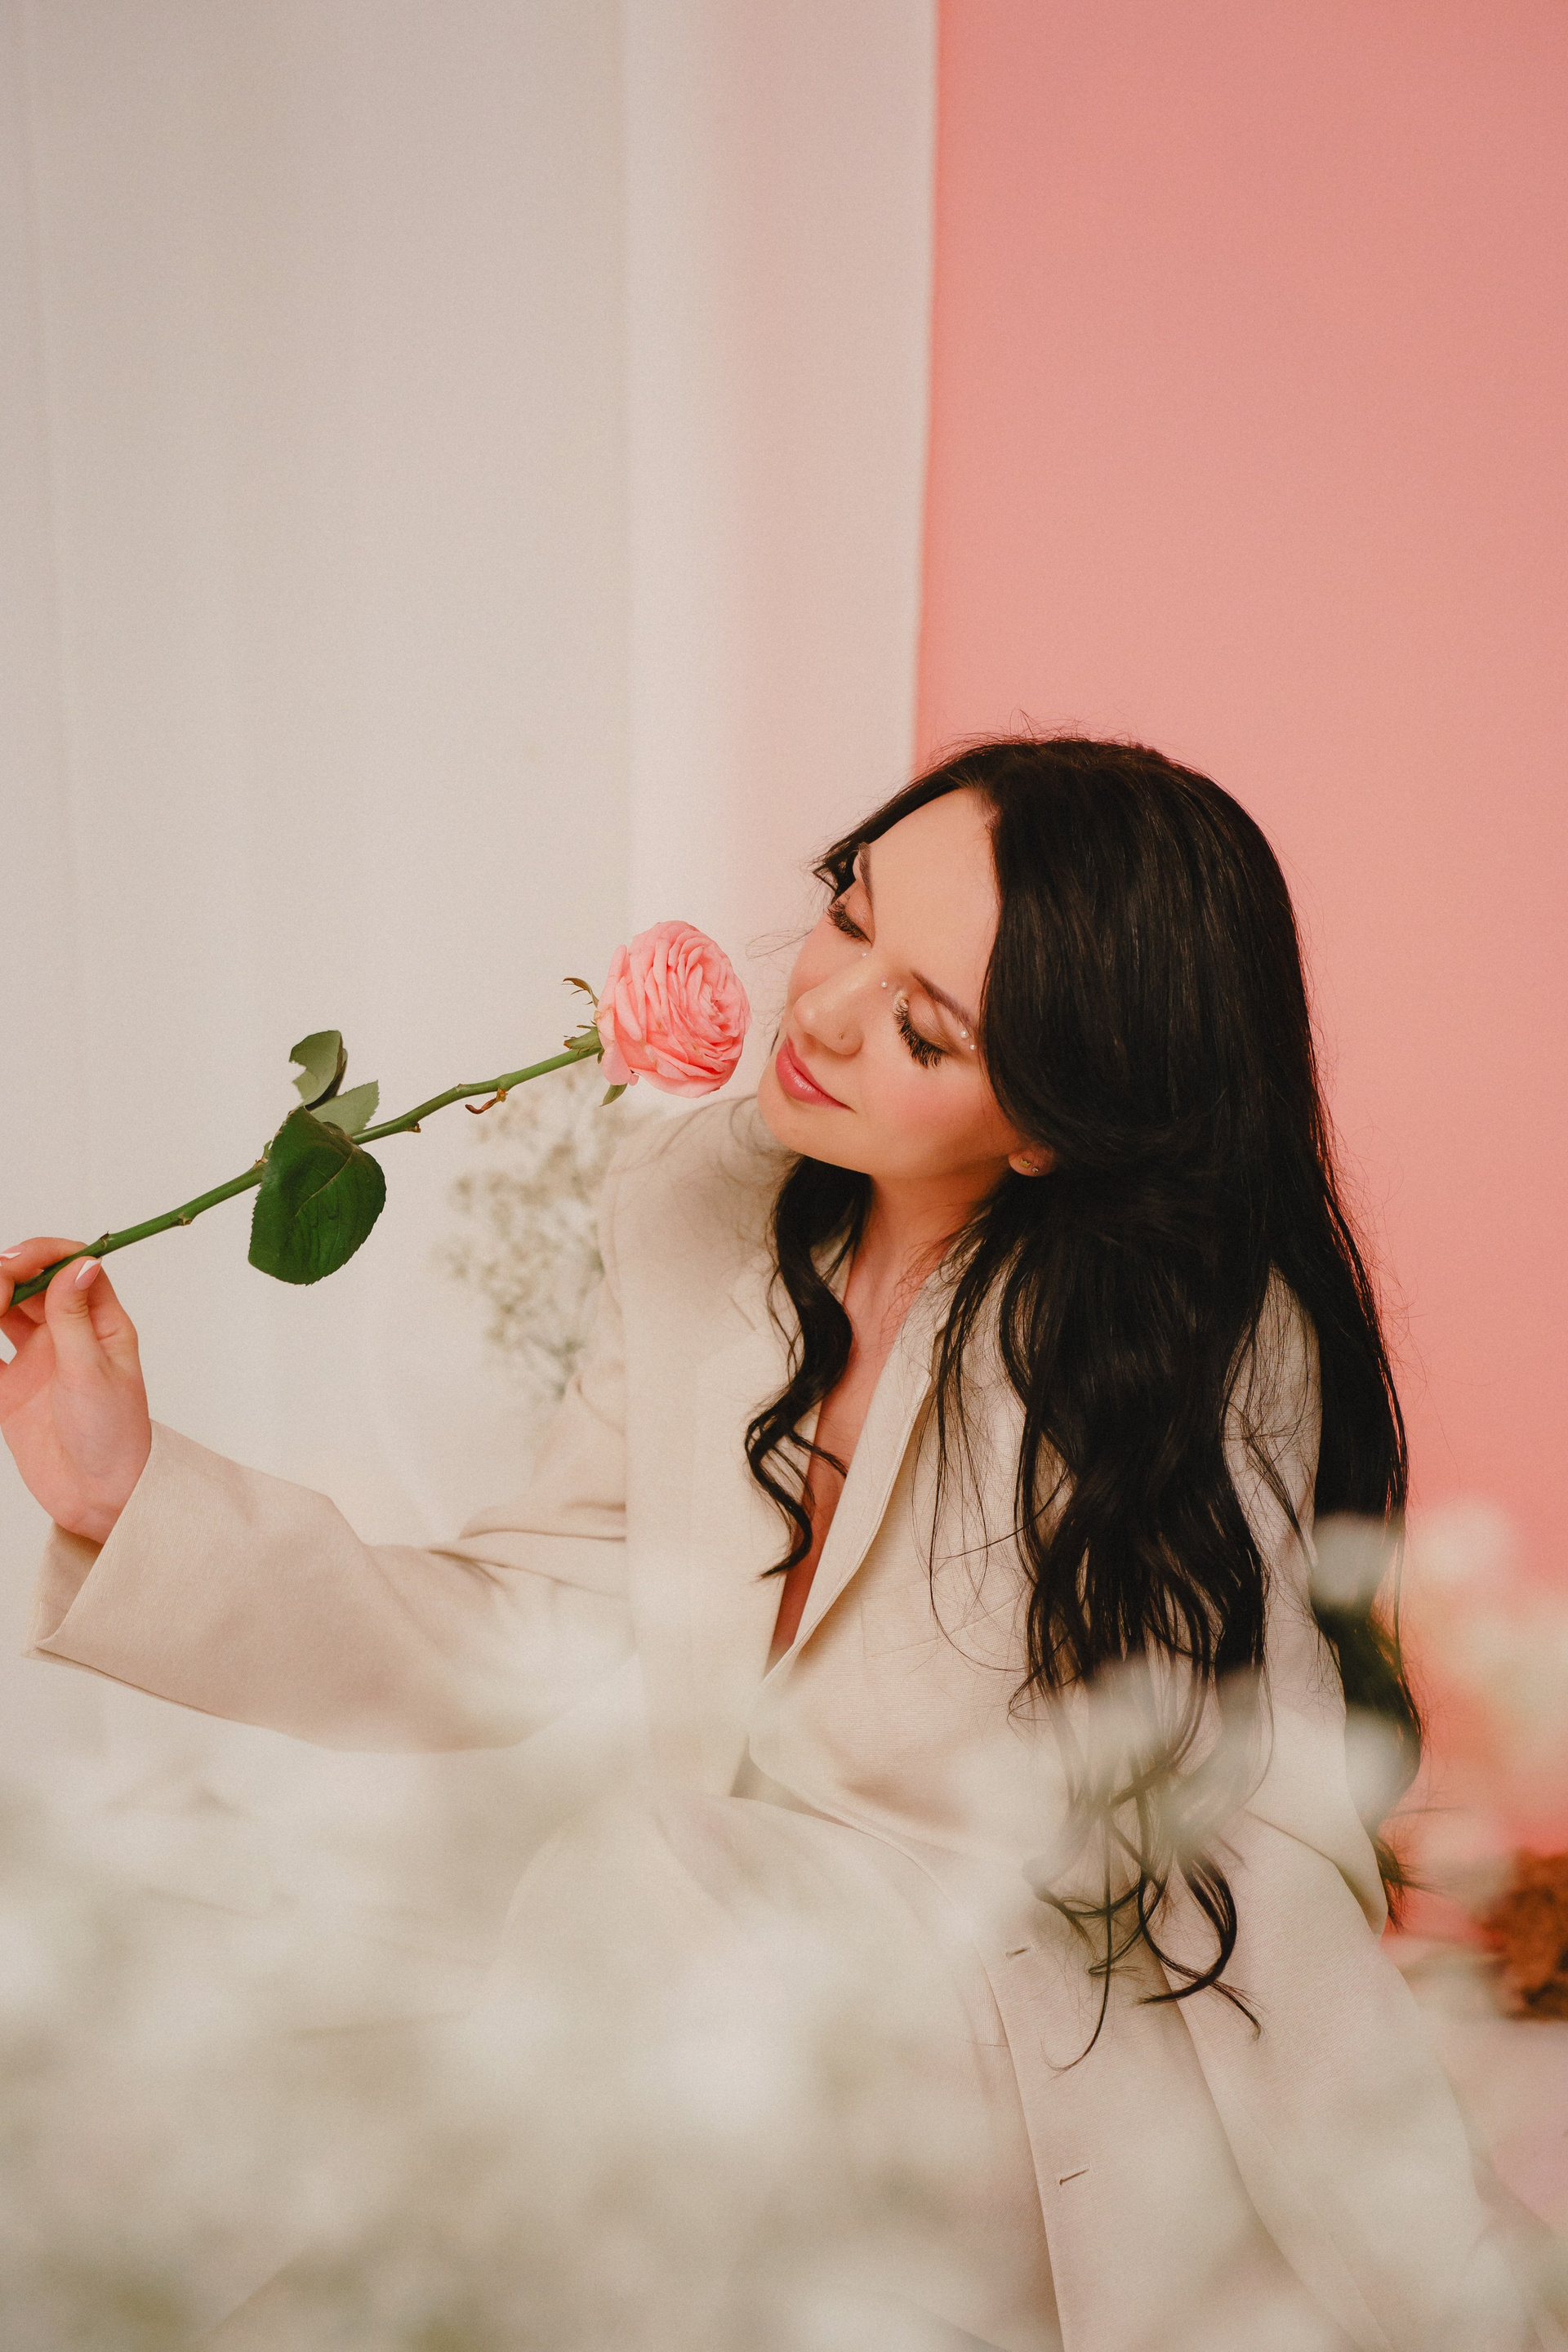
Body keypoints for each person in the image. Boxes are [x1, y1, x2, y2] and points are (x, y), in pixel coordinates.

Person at [0, 737, 1540, 2350]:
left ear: (1050, 1122)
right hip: (704, 2005)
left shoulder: (1186, 1337)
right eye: (849, 912)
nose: (822, 1009)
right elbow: (539, 1612)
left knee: (626, 1909)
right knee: (381, 1968)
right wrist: (127, 1494)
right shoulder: (692, 1201)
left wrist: (1445, 2286)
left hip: (994, 2032)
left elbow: (1255, 1837)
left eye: (925, 1027)